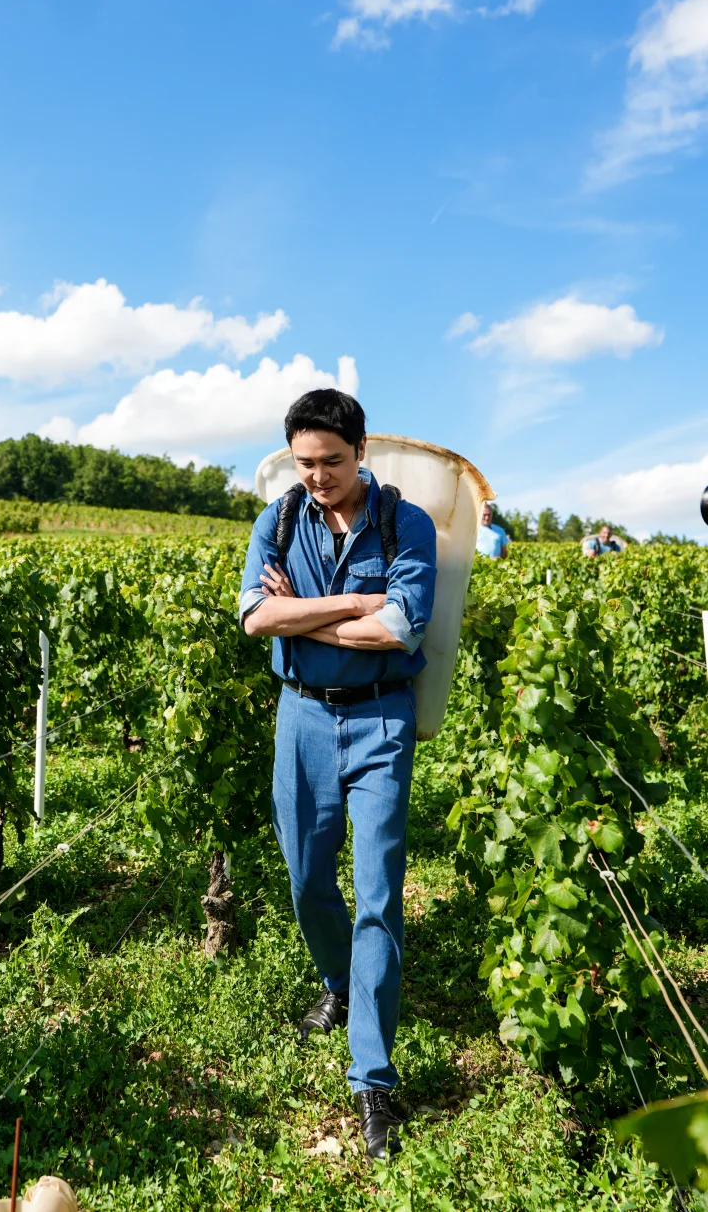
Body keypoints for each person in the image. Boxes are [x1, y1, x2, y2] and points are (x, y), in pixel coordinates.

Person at [239, 389, 436, 1162]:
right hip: (302, 717)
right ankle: (338, 980)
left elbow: (403, 625)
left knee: (379, 894)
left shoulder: (404, 521)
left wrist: (309, 611)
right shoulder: (278, 520)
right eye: (304, 462)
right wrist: (355, 601)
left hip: (383, 718)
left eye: (332, 462)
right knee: (304, 878)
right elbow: (255, 617)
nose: (317, 476)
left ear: (361, 453)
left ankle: (372, 1077)